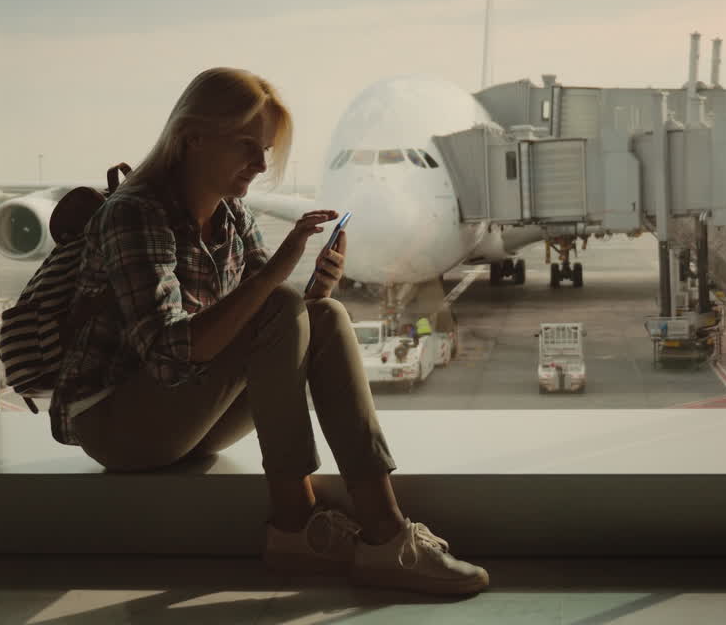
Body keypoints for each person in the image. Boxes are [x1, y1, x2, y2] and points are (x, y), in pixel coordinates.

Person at [51, 67, 488, 595]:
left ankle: (385, 533)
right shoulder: (135, 214)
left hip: (185, 411)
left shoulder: (233, 214)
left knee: (322, 316)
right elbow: (170, 355)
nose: (261, 165)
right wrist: (278, 274)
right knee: (281, 300)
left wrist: (314, 294)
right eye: (246, 147)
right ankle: (294, 523)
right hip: (120, 424)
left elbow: (275, 328)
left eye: (264, 150)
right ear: (191, 138)